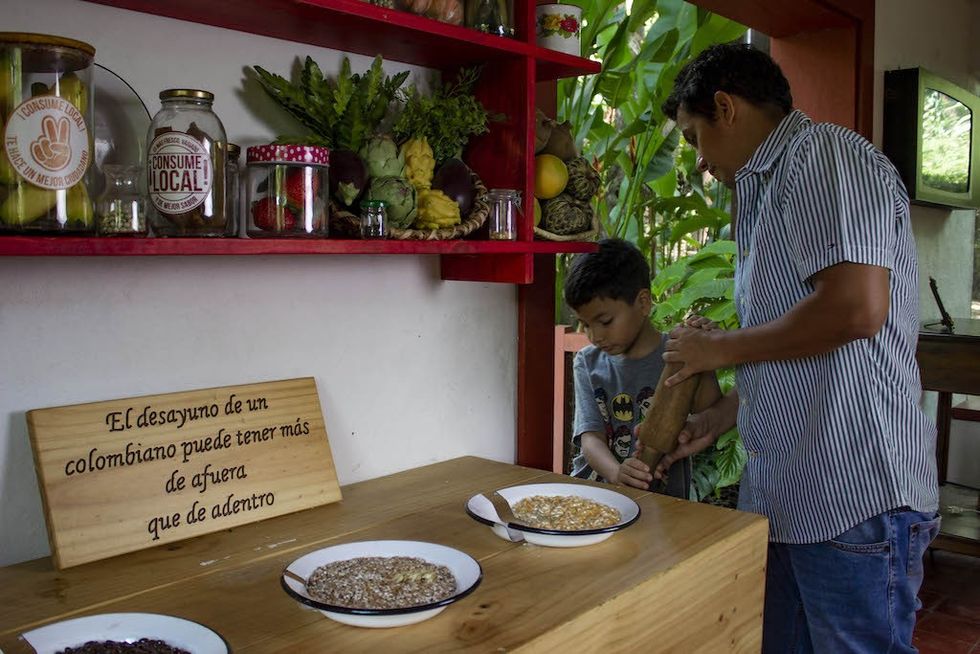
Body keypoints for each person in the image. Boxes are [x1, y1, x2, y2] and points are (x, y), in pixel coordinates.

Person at [653, 43, 940, 653]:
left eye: (695, 136)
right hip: (789, 497)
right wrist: (720, 416)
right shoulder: (764, 188)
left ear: (725, 107)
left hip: (852, 492)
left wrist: (718, 350)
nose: (699, 159)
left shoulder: (824, 156)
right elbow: (800, 347)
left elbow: (855, 309)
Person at [564, 238, 720, 496]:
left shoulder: (677, 354)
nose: (595, 336)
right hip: (597, 497)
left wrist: (704, 356)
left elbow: (709, 411)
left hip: (666, 502)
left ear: (643, 303)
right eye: (586, 324)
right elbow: (590, 438)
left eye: (605, 321)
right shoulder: (587, 363)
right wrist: (617, 473)